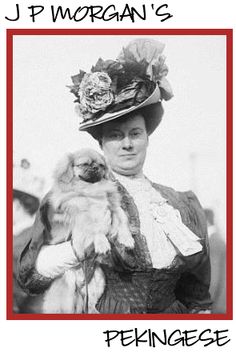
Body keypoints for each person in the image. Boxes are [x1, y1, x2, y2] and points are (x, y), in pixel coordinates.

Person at [16, 38, 212, 314]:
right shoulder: (72, 194)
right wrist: (77, 250)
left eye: (135, 134)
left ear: (147, 138)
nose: (127, 144)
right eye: (115, 136)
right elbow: (29, 275)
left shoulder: (181, 205)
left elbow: (197, 295)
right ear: (101, 144)